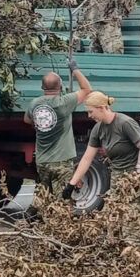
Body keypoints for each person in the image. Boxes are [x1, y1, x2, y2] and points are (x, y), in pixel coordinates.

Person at [63, 92, 140, 218]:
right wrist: (72, 184)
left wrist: (137, 172)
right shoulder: (98, 129)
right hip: (117, 180)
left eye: (91, 111)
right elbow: (87, 159)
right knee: (113, 224)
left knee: (132, 226)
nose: (89, 115)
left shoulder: (125, 123)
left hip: (135, 181)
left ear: (101, 108)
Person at [23, 60, 92, 209]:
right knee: (62, 201)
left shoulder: (34, 103)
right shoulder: (64, 103)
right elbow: (87, 89)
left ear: (42, 87)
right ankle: (58, 227)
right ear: (60, 87)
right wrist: (75, 69)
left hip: (42, 161)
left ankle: (38, 224)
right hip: (61, 161)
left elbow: (27, 119)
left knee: (44, 197)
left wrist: (41, 124)